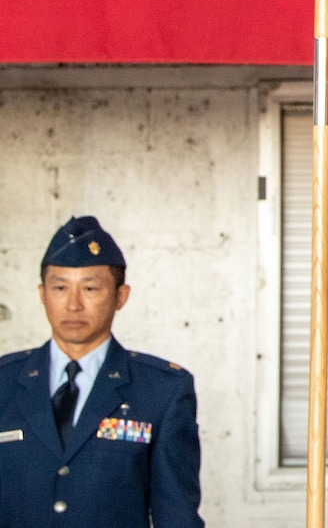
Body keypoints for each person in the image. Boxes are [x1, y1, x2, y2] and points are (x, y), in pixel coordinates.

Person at [0, 216, 203, 528]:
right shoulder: (4, 382)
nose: (73, 304)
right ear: (42, 294)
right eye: (60, 287)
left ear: (121, 296)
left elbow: (176, 517)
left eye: (91, 288)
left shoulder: (162, 391)